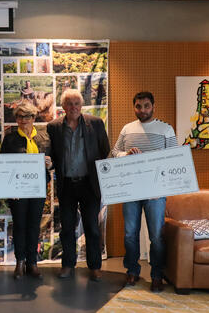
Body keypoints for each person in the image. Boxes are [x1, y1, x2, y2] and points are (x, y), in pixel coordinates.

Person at [112, 91, 177, 293]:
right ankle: (132, 271)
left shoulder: (166, 129)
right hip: (131, 190)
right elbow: (114, 153)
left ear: (153, 106)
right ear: (134, 107)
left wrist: (163, 184)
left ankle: (157, 275)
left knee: (156, 236)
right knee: (130, 234)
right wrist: (126, 154)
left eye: (146, 106)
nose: (142, 110)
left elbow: (174, 158)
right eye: (138, 106)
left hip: (156, 192)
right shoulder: (127, 129)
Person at [46, 89, 110, 282]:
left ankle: (95, 266)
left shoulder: (96, 123)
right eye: (69, 104)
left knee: (91, 226)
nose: (73, 107)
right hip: (67, 186)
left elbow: (105, 152)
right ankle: (67, 264)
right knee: (66, 227)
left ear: (81, 106)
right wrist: (49, 163)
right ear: (63, 107)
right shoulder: (54, 127)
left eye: (76, 103)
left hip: (89, 185)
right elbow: (53, 155)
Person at [1, 103, 52, 280]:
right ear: (16, 119)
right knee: (20, 225)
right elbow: (4, 165)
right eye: (20, 117)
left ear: (34, 118)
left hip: (38, 189)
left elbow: (53, 162)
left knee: (33, 225)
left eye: (28, 116)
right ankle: (20, 262)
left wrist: (49, 164)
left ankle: (32, 262)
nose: (24, 120)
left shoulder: (44, 138)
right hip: (18, 190)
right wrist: (9, 188)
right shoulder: (10, 139)